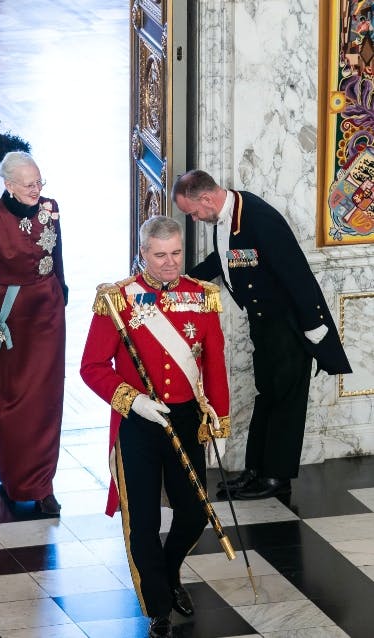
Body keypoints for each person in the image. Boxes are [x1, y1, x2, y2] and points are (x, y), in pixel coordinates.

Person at [80, 216, 230, 638]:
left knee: (195, 512)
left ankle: (168, 571)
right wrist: (134, 401)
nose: (170, 264)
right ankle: (158, 605)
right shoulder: (118, 300)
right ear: (143, 253)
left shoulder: (202, 297)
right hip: (138, 422)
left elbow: (214, 361)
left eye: (177, 254)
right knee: (141, 520)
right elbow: (91, 368)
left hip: (183, 418)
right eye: (160, 255)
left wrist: (218, 411)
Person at [172, 169, 352, 500]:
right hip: (263, 323)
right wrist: (185, 283)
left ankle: (277, 477)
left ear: (207, 199)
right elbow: (223, 260)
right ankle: (256, 470)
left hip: (289, 325)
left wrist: (313, 326)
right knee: (266, 393)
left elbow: (295, 271)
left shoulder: (259, 217)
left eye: (194, 212)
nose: (195, 219)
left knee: (286, 399)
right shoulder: (227, 218)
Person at [0, 151, 67, 516]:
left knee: (46, 400)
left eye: (39, 182)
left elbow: (57, 255)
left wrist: (62, 287)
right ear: (8, 185)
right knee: (10, 401)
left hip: (48, 313)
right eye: (29, 185)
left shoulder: (51, 207)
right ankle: (14, 478)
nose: (37, 190)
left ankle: (43, 486)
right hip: (9, 315)